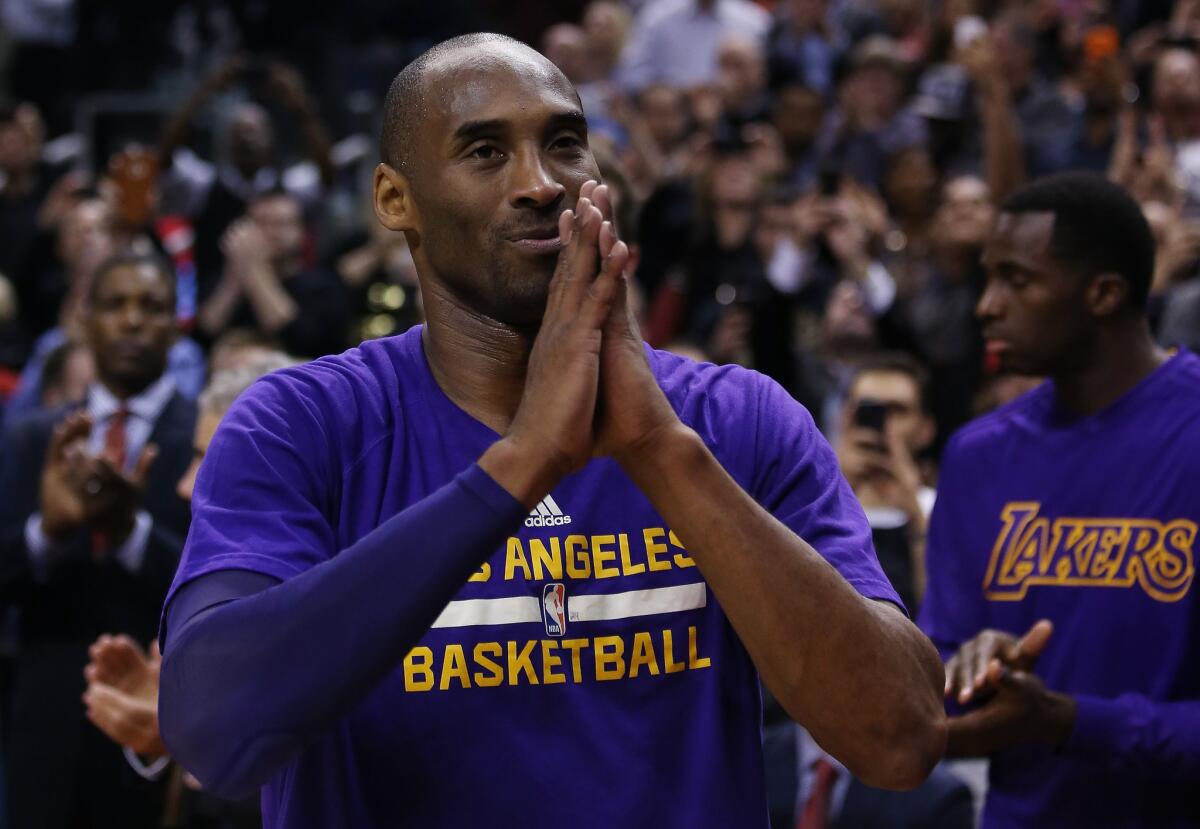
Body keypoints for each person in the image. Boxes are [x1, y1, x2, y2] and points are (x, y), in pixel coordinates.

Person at [158, 33, 945, 828]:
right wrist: (517, 465)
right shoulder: (300, 425)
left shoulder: (737, 421)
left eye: (564, 143)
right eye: (485, 151)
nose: (540, 184)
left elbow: (900, 739)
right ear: (396, 199)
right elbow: (215, 735)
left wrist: (659, 450)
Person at [919, 172, 1200, 827]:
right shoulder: (977, 453)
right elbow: (935, 671)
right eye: (987, 277)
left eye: (1016, 280)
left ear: (1103, 293)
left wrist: (1069, 721)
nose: (986, 304)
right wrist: (972, 672)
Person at [0, 251, 196, 828]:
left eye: (152, 307)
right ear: (86, 321)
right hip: (43, 722)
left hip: (158, 728)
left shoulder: (209, 441)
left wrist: (130, 531)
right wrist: (48, 532)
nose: (133, 321)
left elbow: (218, 583)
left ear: (176, 326)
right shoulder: (28, 438)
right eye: (115, 305)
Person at [84, 354, 295, 829]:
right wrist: (166, 728)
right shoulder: (212, 584)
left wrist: (201, 738)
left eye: (209, 458)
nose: (184, 486)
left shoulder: (332, 597)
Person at [835, 353, 936, 613]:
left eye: (898, 411)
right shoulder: (812, 504)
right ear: (844, 419)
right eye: (869, 410)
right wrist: (835, 485)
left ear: (926, 429)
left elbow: (944, 620)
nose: (883, 425)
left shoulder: (941, 509)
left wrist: (916, 516)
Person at [196, 189, 348, 359]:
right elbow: (204, 335)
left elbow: (299, 340)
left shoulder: (324, 285)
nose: (270, 232)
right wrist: (235, 277)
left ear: (302, 232)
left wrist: (254, 269)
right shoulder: (221, 280)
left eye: (281, 224)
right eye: (260, 223)